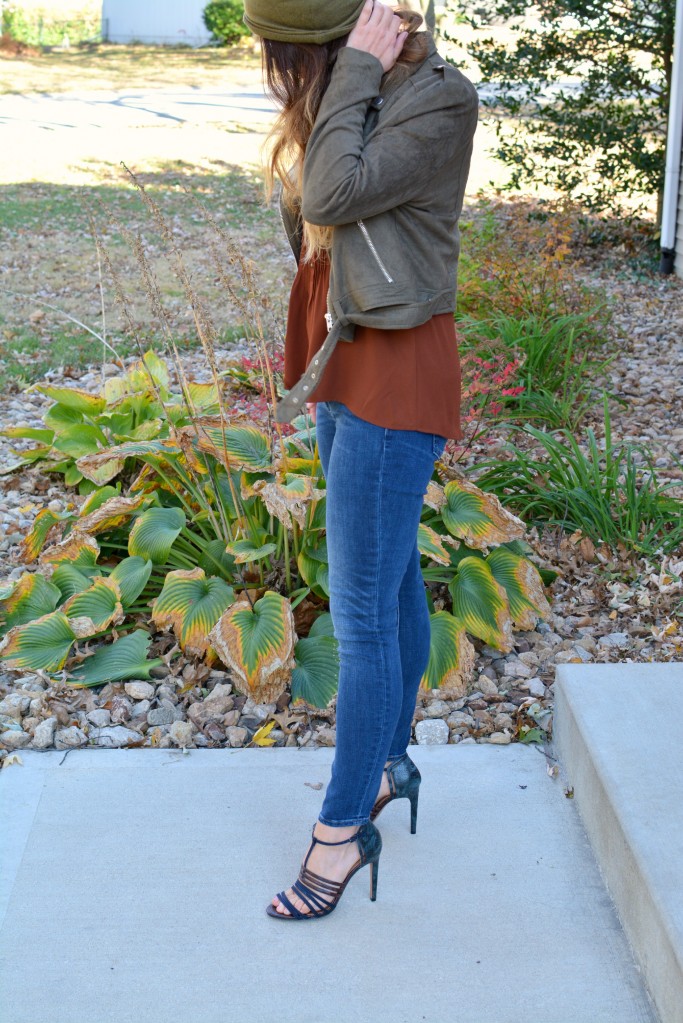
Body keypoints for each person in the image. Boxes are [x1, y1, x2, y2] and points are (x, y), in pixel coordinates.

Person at [242, 0, 479, 920]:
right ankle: (390, 765)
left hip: (398, 369)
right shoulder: (358, 92)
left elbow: (338, 198)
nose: (282, 79)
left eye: (291, 61)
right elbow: (312, 214)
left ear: (331, 47)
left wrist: (350, 80)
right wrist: (341, 91)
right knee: (391, 585)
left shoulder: (434, 100)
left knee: (362, 617)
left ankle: (340, 833)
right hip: (351, 355)